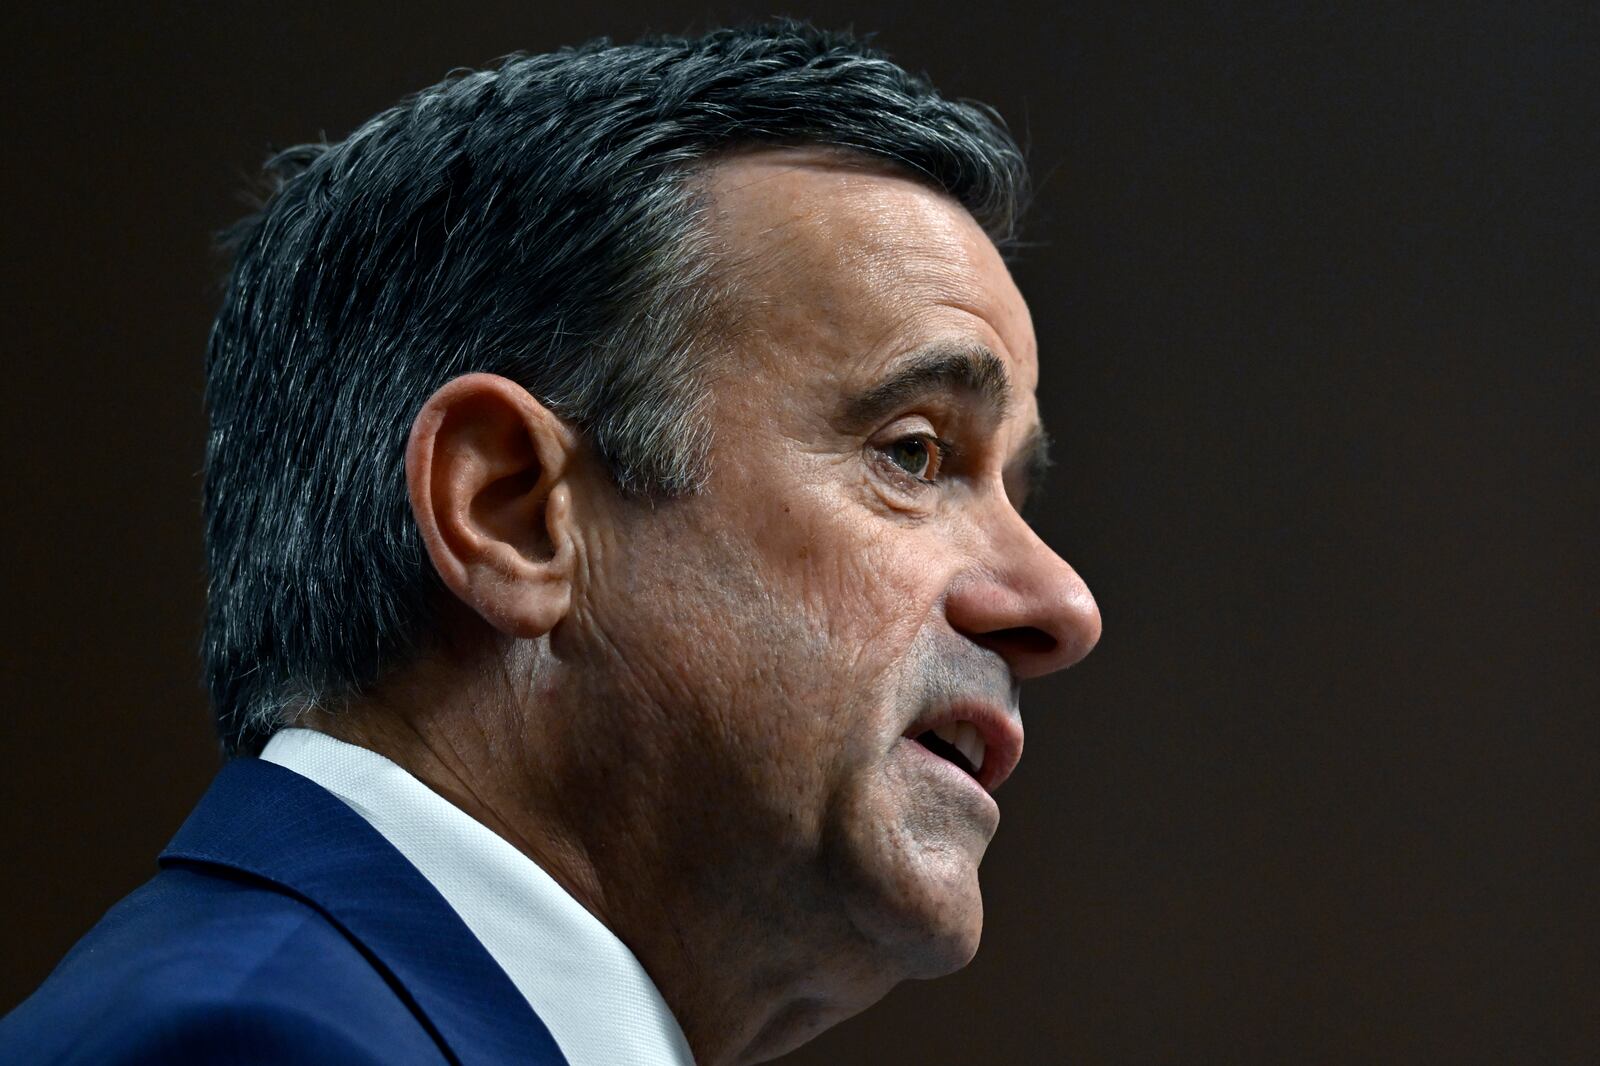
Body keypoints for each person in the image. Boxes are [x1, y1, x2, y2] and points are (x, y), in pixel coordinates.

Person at [0, 20, 1100, 1065]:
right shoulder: (255, 1045)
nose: (1058, 602)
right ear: (514, 512)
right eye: (913, 453)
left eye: (1013, 488)